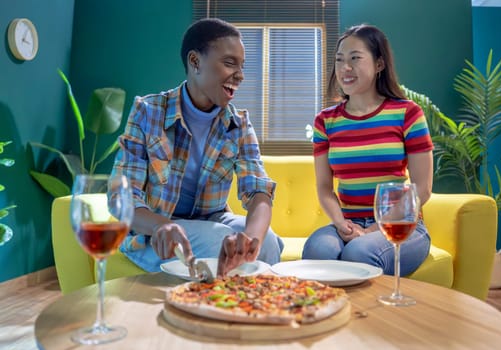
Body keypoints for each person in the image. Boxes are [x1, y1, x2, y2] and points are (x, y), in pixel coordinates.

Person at [109, 18, 283, 277]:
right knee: (217, 242)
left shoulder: (238, 123)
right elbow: (122, 197)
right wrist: (160, 226)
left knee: (267, 241)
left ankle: (246, 310)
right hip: (155, 230)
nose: (240, 75)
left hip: (211, 219)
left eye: (242, 66)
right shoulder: (148, 111)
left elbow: (259, 190)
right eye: (229, 63)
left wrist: (250, 241)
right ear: (195, 62)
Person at [301, 24, 433, 276]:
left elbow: (422, 189)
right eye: (339, 60)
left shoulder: (408, 113)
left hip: (402, 225)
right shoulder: (325, 121)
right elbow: (324, 188)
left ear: (379, 64)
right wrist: (341, 224)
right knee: (319, 250)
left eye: (355, 59)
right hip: (348, 223)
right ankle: (325, 314)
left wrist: (371, 231)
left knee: (358, 253)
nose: (345, 68)